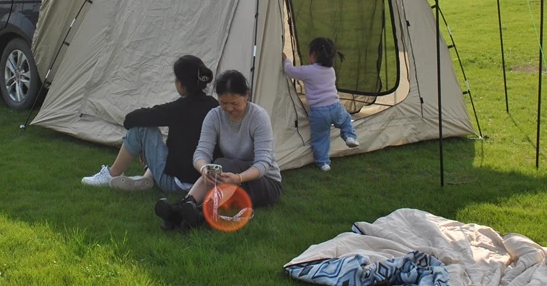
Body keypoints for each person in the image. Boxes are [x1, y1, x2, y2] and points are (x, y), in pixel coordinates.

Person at [154, 69, 282, 230]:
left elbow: (263, 164)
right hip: (233, 174)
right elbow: (201, 152)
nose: (229, 108)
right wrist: (204, 170)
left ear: (247, 95)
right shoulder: (214, 116)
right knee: (217, 168)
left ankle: (189, 212)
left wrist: (239, 178)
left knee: (227, 172)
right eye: (223, 103)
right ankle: (187, 206)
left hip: (265, 182)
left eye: (234, 103)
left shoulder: (259, 117)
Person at [81, 55, 217, 193]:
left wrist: (142, 146)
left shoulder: (178, 108)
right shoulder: (215, 106)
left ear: (181, 84)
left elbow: (131, 119)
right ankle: (146, 178)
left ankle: (112, 174)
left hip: (176, 183)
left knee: (141, 129)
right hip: (203, 182)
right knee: (180, 145)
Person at [283, 37, 359, 172]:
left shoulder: (308, 71)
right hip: (335, 106)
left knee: (320, 138)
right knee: (346, 120)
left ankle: (323, 163)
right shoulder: (331, 71)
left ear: (313, 55)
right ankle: (349, 136)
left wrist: (286, 60)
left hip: (318, 112)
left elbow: (291, 71)